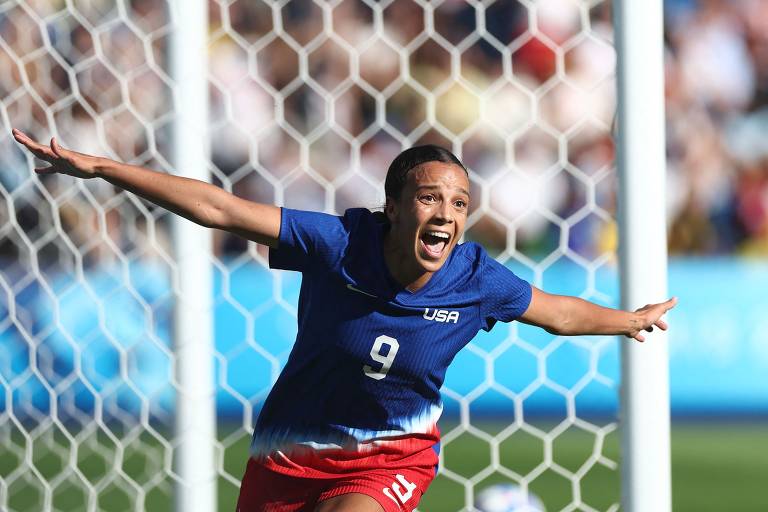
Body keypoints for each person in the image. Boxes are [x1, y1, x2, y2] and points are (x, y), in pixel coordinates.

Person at [12, 129, 677, 512]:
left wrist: (628, 320)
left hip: (392, 453)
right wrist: (103, 169)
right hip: (289, 452)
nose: (446, 213)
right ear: (394, 206)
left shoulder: (477, 279)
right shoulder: (338, 243)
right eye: (429, 197)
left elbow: (556, 312)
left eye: (459, 202)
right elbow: (219, 208)